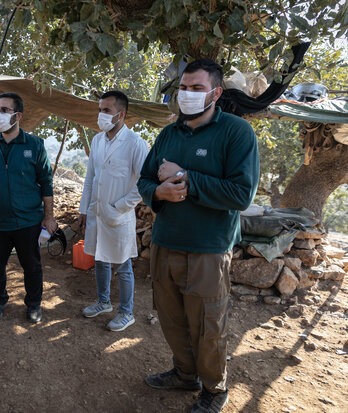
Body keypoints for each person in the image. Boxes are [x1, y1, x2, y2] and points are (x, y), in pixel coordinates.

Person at [138, 59, 259, 413]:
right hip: (165, 242)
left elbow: (241, 194)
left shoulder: (236, 132)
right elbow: (145, 181)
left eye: (196, 88)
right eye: (183, 88)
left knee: (208, 325)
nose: (187, 95)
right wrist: (158, 193)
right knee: (171, 317)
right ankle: (184, 373)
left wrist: (187, 179)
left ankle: (214, 388)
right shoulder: (168, 134)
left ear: (216, 93)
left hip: (208, 248)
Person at [0, 92, 57, 324]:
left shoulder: (35, 145)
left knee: (31, 266)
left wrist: (49, 217)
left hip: (27, 221)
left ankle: (34, 304)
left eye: (3, 110)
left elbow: (46, 182)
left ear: (18, 115)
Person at [78, 91, 148, 332]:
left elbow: (144, 183)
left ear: (121, 114)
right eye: (100, 109)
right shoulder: (97, 140)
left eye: (106, 110)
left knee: (123, 265)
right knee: (99, 258)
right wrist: (84, 208)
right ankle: (103, 301)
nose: (101, 115)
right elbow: (90, 178)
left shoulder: (135, 143)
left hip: (118, 215)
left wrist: (119, 207)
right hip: (97, 212)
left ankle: (127, 312)